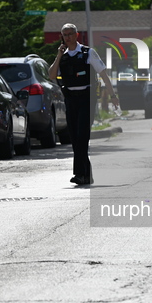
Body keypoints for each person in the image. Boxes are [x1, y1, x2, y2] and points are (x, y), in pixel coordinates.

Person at [49, 23, 120, 185]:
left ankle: (80, 174)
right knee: (75, 137)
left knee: (82, 136)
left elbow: (103, 74)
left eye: (70, 34)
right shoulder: (63, 56)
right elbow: (52, 75)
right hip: (70, 99)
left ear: (76, 35)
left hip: (86, 98)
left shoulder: (88, 53)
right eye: (64, 35)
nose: (67, 37)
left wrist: (112, 96)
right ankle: (86, 174)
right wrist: (58, 56)